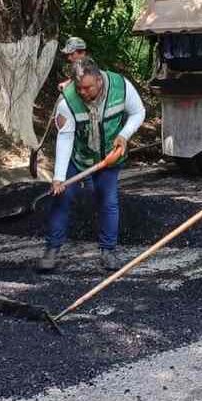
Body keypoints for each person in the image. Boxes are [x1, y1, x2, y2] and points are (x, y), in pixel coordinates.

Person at [37, 58, 145, 273]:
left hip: (110, 155)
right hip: (79, 156)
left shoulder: (121, 87)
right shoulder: (67, 101)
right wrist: (59, 177)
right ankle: (52, 249)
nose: (83, 92)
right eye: (79, 88)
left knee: (108, 200)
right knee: (62, 197)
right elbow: (65, 137)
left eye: (88, 87)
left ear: (99, 80)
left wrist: (124, 135)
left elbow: (138, 112)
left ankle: (108, 251)